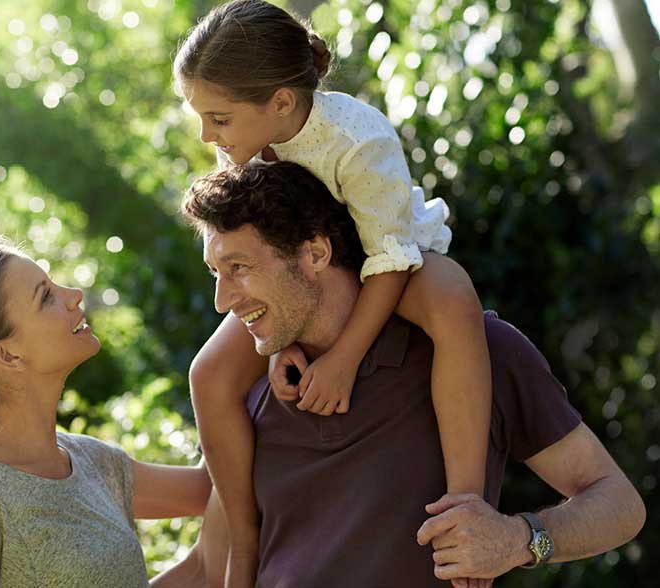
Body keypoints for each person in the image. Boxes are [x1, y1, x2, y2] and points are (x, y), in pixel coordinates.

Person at [157, 161, 646, 587]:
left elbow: (619, 504)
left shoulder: (478, 353)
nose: (222, 300)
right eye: (215, 274)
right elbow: (210, 566)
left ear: (315, 253)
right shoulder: (253, 392)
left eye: (238, 267)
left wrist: (520, 539)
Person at [173, 2, 492, 584]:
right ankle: (244, 541)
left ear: (282, 103)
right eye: (200, 117)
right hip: (307, 270)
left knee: (452, 298)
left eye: (218, 118)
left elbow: (390, 260)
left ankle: (464, 510)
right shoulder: (244, 141)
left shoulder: (357, 139)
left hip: (384, 254)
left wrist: (342, 359)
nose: (206, 135)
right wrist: (277, 342)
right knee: (209, 374)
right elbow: (265, 259)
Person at [0, 236, 211, 588]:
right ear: (7, 355)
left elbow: (212, 490)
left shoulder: (92, 462)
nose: (74, 294)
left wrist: (270, 338)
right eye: (46, 296)